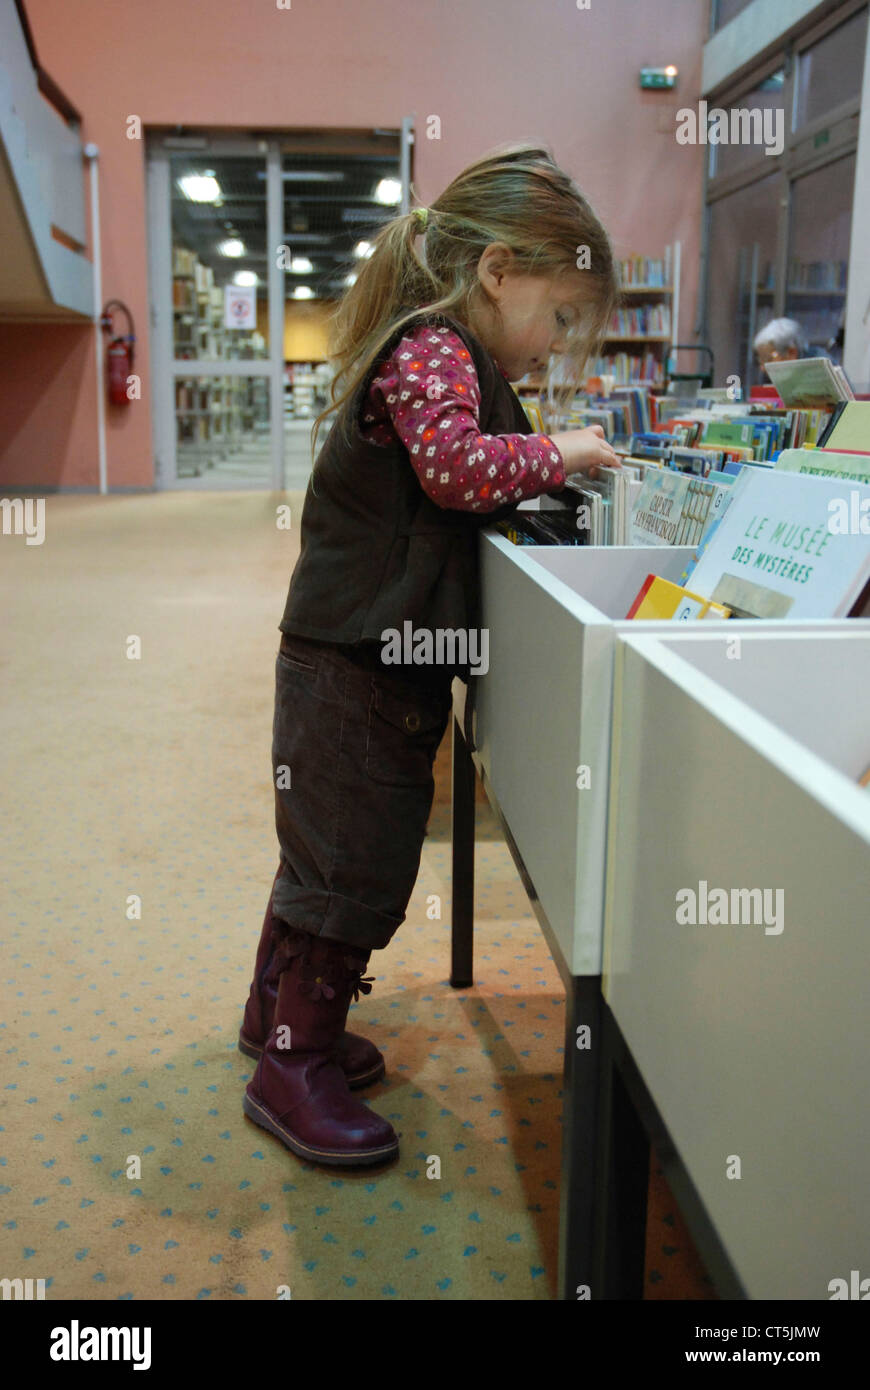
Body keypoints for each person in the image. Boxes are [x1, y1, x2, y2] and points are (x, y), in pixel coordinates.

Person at [239, 144, 621, 1167]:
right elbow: (456, 471)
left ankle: (271, 1020)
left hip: (362, 655)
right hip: (357, 664)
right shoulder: (438, 350)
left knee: (320, 853)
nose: (557, 346)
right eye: (561, 316)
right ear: (497, 271)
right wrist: (570, 449)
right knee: (352, 865)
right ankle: (293, 1061)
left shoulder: (456, 355)